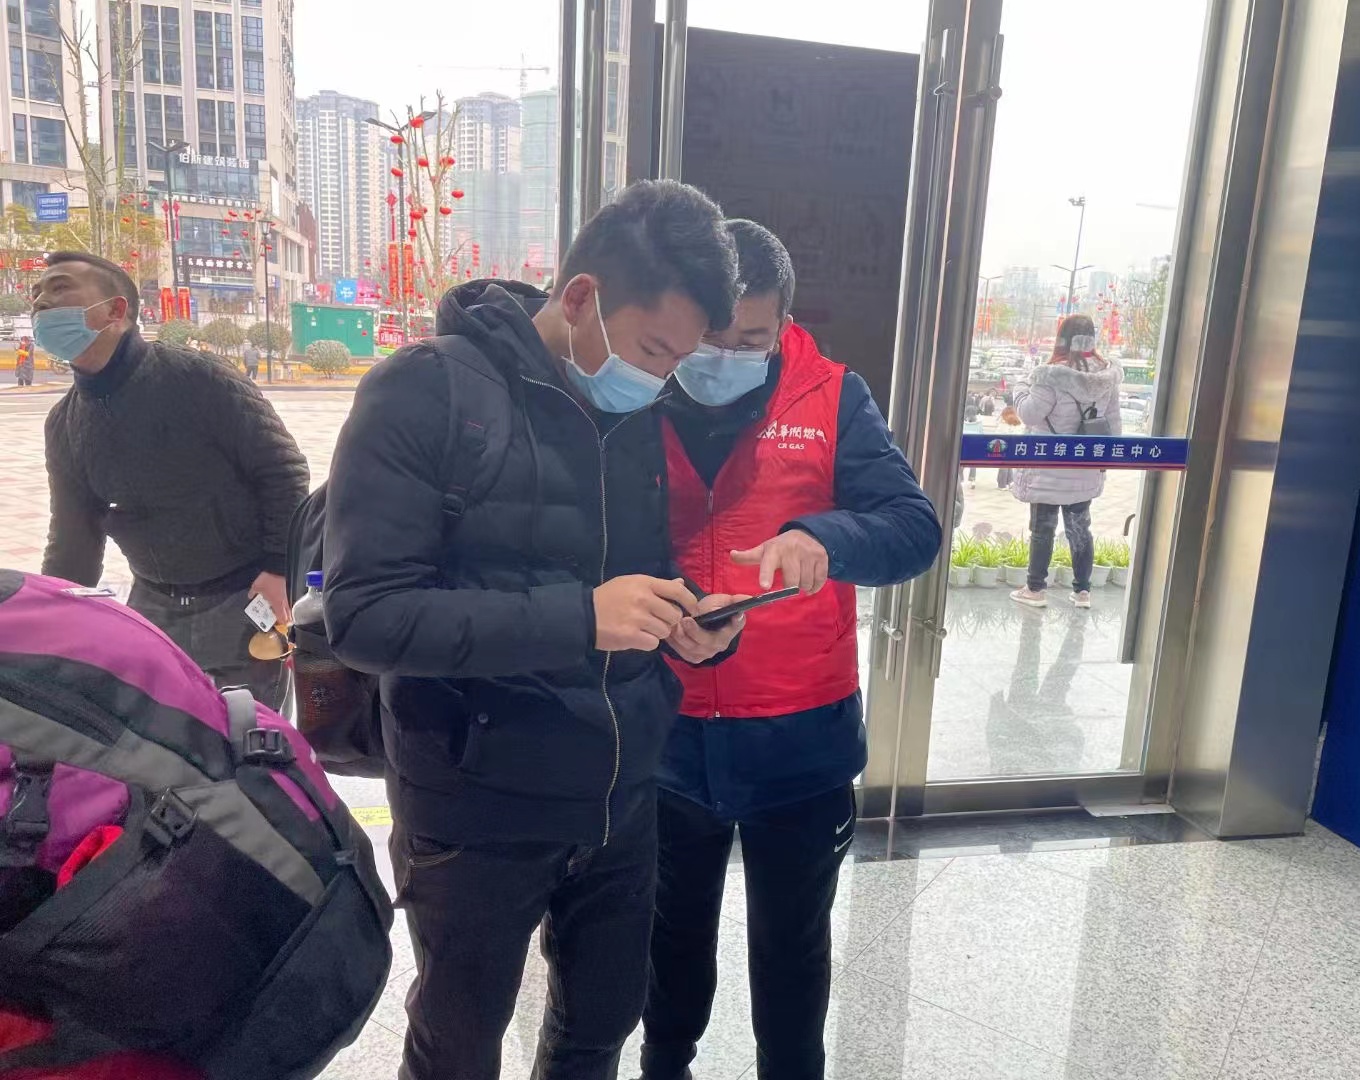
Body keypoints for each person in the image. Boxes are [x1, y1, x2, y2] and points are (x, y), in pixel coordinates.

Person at [321, 180, 747, 1080]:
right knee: (458, 1046)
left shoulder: (637, 414)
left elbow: (638, 571)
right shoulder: (427, 390)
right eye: (653, 350)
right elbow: (365, 614)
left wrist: (687, 618)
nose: (661, 379)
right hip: (476, 802)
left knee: (599, 1030)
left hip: (620, 792)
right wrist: (583, 619)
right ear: (582, 297)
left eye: (678, 362)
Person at [638, 220, 940, 1080]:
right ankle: (666, 1064)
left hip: (799, 737)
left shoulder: (833, 397)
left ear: (784, 325)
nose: (728, 356)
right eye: (714, 336)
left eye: (753, 339)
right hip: (667, 729)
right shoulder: (639, 391)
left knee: (792, 946)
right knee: (668, 936)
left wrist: (824, 537)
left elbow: (913, 529)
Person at [35, 251, 307, 709]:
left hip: (242, 596)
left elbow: (283, 470)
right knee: (161, 738)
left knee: (249, 735)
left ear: (116, 310)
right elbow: (73, 538)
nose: (41, 302)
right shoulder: (65, 423)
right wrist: (53, 613)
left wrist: (280, 568)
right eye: (37, 294)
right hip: (152, 606)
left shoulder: (198, 378)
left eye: (60, 287)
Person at [1008, 314, 1121, 610]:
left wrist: (1021, 387)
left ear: (1062, 338)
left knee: (1043, 528)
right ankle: (1082, 591)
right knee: (1080, 528)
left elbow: (1030, 413)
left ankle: (1035, 589)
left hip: (1048, 467)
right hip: (1084, 467)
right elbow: (1114, 424)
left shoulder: (1051, 375)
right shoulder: (1106, 376)